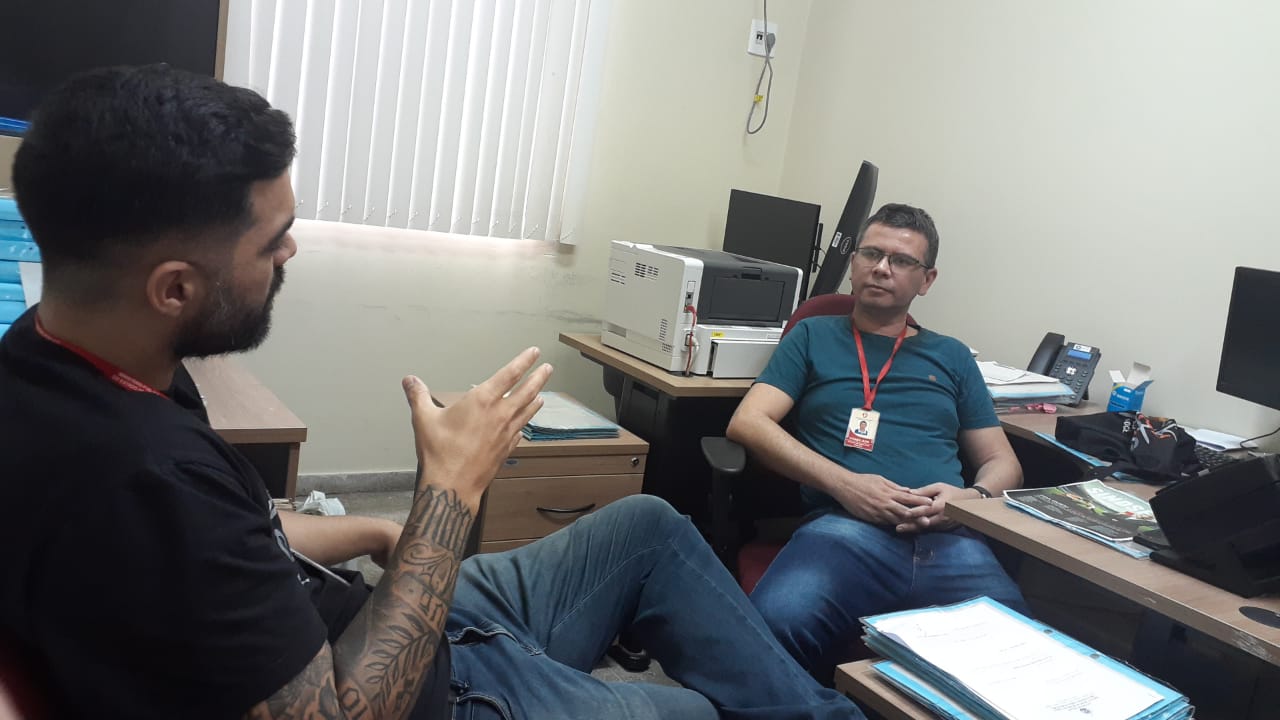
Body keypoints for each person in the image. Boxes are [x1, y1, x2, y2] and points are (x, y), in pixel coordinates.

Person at [0, 66, 862, 720]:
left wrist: (386, 530)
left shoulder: (62, 358)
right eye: (273, 241)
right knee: (694, 711)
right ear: (175, 288)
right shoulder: (138, 482)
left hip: (389, 619)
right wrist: (448, 495)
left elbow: (249, 533)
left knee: (649, 526)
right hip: (431, 691)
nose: (291, 253)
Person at [726, 203, 1030, 684]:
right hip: (844, 530)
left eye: (902, 260)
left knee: (1020, 655)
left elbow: (1001, 461)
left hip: (950, 538)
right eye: (871, 254)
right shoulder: (813, 336)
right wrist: (846, 485)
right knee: (773, 628)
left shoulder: (951, 356)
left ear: (927, 280)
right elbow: (748, 422)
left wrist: (969, 498)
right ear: (854, 263)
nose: (882, 268)